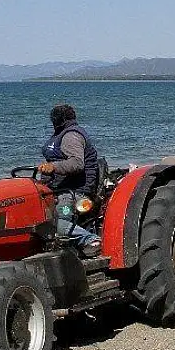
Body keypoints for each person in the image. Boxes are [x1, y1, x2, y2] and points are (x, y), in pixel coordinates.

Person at [38, 104, 102, 256]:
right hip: (58, 190)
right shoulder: (62, 134)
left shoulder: (71, 136)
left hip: (72, 195)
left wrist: (53, 167)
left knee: (57, 222)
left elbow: (77, 163)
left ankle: (90, 239)